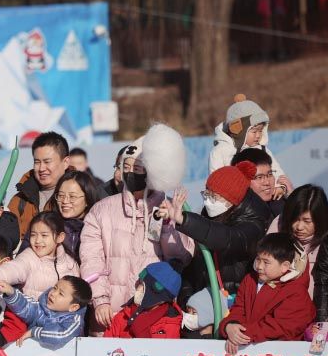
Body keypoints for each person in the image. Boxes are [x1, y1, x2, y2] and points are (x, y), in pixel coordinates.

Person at [80, 137, 194, 335]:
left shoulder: (171, 208)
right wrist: (100, 300)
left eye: (138, 168)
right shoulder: (101, 210)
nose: (130, 172)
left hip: (153, 318)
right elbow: (91, 260)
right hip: (108, 318)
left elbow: (182, 257)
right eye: (126, 166)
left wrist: (168, 225)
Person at [158, 161, 272, 306]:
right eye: (206, 194)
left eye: (214, 197)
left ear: (233, 199)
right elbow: (195, 268)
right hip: (205, 303)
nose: (208, 201)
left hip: (238, 304)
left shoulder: (255, 221)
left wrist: (183, 219)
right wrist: (187, 299)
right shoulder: (211, 214)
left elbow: (226, 238)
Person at [219, 233, 316, 354]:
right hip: (248, 349)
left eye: (266, 262)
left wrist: (241, 334)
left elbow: (282, 327)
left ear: (284, 266)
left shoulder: (296, 291)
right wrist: (230, 326)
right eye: (258, 259)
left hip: (282, 355)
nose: (259, 266)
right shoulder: (250, 280)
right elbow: (239, 309)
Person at [269, 185, 328, 322]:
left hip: (322, 316)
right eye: (295, 219)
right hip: (283, 313)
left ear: (320, 218)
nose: (299, 227)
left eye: (307, 221)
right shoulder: (279, 225)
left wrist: (323, 322)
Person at [0, 212, 79, 299]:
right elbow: (13, 268)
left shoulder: (70, 262)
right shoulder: (29, 257)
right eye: (33, 235)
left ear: (60, 237)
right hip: (31, 311)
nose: (37, 240)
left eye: (44, 235)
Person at [209, 94, 286, 195]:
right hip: (233, 199)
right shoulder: (220, 152)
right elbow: (215, 181)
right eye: (254, 131)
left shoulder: (262, 150)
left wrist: (280, 186)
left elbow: (276, 170)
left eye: (260, 131)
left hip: (262, 198)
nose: (258, 135)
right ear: (238, 130)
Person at [0, 275, 90, 350]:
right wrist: (12, 293)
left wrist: (34, 332)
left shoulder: (74, 321)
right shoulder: (42, 307)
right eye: (55, 288)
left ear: (73, 307)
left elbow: (60, 335)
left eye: (61, 294)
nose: (53, 293)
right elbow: (27, 307)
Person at [8, 132, 71, 240]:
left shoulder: (80, 196)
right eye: (37, 162)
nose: (41, 168)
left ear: (65, 162)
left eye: (47, 162)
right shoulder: (20, 200)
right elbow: (7, 236)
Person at [104, 262, 183, 339]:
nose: (136, 287)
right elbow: (107, 344)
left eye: (141, 285)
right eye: (138, 282)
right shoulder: (124, 316)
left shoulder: (170, 325)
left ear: (154, 294)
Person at [231, 148, 291, 218]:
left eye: (270, 174)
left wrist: (292, 199)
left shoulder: (281, 203)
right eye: (259, 177)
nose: (267, 182)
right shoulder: (239, 218)